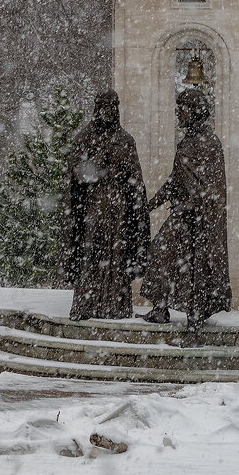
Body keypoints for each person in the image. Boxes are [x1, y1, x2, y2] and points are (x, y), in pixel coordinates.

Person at [141, 87, 231, 327]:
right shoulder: (187, 142)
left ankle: (196, 317)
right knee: (160, 252)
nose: (179, 113)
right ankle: (160, 308)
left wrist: (196, 206)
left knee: (197, 266)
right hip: (184, 213)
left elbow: (212, 187)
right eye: (178, 107)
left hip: (201, 217)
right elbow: (175, 181)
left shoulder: (209, 143)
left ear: (196, 111)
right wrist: (150, 204)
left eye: (184, 108)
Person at [61, 90, 150, 320]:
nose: (107, 111)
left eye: (112, 107)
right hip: (93, 207)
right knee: (90, 253)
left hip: (119, 210)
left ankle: (115, 305)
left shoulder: (125, 140)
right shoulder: (85, 138)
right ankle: (86, 303)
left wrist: (135, 208)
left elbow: (135, 181)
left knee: (117, 255)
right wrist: (97, 167)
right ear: (96, 109)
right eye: (103, 106)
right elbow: (76, 176)